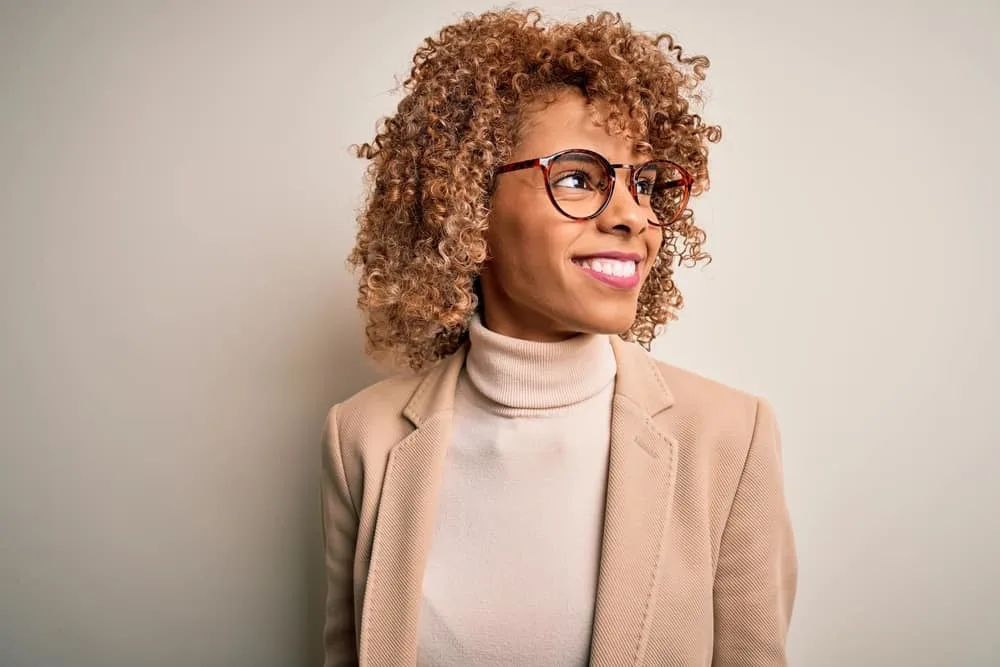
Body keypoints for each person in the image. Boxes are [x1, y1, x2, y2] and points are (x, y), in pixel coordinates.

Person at [320, 8, 797, 666]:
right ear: (468, 207)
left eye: (645, 183)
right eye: (577, 177)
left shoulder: (730, 438)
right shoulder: (361, 438)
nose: (634, 215)